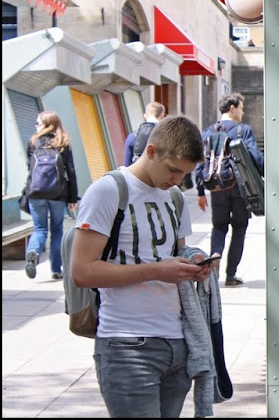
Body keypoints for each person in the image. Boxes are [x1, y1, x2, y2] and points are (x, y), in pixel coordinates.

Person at [70, 115, 215, 418]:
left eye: (185, 175)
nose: (177, 180)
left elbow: (176, 252)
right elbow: (82, 271)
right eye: (173, 170)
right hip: (127, 345)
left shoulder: (174, 197)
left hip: (177, 341)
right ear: (151, 151)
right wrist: (156, 270)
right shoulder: (108, 191)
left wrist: (195, 265)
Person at [194, 92, 264, 286]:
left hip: (216, 187)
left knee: (219, 226)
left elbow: (201, 163)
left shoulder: (208, 131)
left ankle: (215, 255)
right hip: (240, 187)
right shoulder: (243, 130)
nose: (243, 112)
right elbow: (256, 158)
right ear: (232, 108)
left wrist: (201, 192)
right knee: (239, 228)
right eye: (241, 107)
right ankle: (231, 275)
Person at [25, 111, 79, 280]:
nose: (36, 126)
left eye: (38, 123)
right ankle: (56, 269)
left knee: (39, 229)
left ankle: (33, 251)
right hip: (58, 194)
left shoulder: (33, 142)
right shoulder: (63, 143)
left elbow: (29, 168)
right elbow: (71, 172)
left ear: (47, 124)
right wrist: (73, 197)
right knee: (56, 231)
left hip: (36, 193)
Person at [123, 101, 166, 167]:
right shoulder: (167, 134)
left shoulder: (133, 136)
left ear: (145, 116)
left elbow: (127, 164)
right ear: (162, 115)